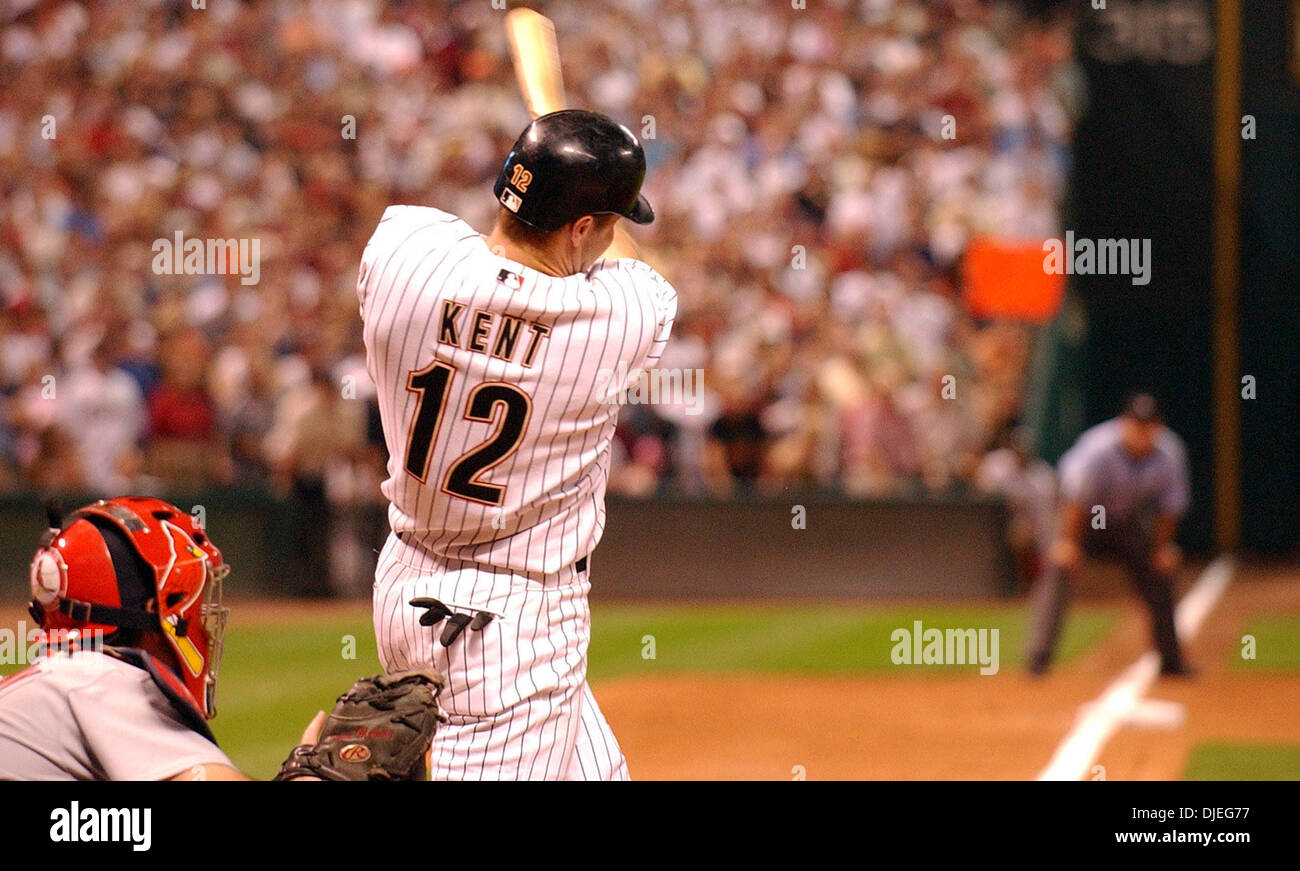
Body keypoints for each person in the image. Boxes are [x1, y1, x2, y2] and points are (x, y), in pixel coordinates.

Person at [360, 110, 677, 780]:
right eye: (609, 219)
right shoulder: (616, 318)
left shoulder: (400, 253)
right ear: (583, 227)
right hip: (513, 622)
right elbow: (645, 276)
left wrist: (553, 192)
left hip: (404, 577)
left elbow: (476, 239)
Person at [0, 496, 440, 781]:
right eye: (191, 603)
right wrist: (314, 776)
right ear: (154, 612)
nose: (203, 624)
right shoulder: (97, 679)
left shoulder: (60, 683)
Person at [1026, 394, 1194, 676]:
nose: (1142, 432)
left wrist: (1161, 548)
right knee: (1058, 567)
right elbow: (1074, 500)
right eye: (1136, 424)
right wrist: (1068, 543)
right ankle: (1038, 659)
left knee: (1160, 572)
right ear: (1123, 423)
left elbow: (1170, 507)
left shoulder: (1170, 452)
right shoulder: (1098, 448)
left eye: (1148, 426)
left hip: (1128, 524)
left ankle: (1172, 662)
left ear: (1158, 427)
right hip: (1086, 520)